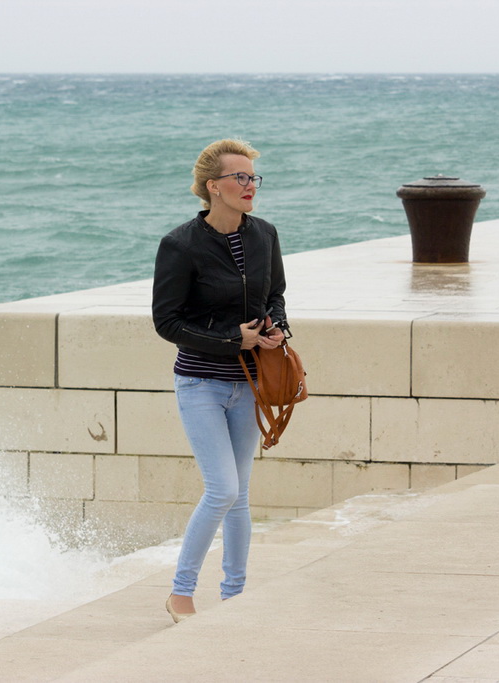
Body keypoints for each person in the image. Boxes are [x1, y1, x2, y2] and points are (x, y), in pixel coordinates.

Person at [151, 138, 287, 623]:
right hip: (201, 384)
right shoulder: (180, 244)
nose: (251, 186)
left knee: (240, 495)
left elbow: (276, 295)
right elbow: (167, 322)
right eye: (240, 178)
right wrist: (234, 340)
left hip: (250, 384)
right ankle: (180, 593)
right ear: (213, 186)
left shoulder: (265, 234)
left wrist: (275, 328)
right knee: (222, 489)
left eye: (254, 178)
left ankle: (234, 594)